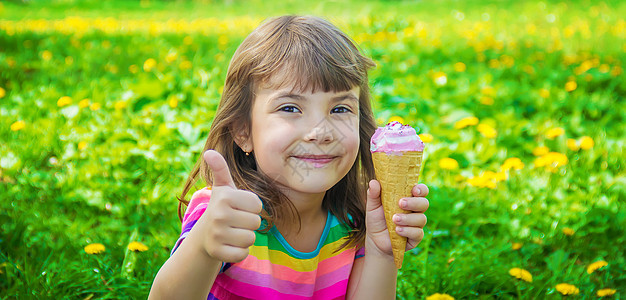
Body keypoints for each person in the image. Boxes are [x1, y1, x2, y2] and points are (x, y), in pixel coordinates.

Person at [149, 15, 430, 299]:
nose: (320, 133)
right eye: (290, 108)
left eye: (340, 109)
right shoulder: (226, 212)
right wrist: (203, 246)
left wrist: (381, 251)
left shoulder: (354, 220)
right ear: (243, 131)